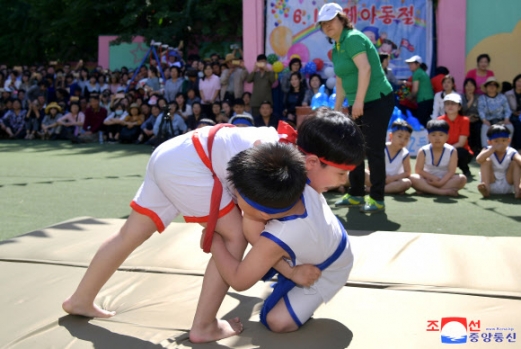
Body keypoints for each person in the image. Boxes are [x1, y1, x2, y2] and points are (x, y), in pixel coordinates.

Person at [62, 114, 324, 343]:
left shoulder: (283, 146)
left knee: (129, 234)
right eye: (339, 175)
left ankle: (80, 299)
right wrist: (290, 271)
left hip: (173, 153)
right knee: (234, 236)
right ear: (313, 162)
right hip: (190, 164)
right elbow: (253, 229)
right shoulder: (277, 159)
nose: (340, 183)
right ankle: (204, 326)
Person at [208, 110, 365, 333]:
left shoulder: (280, 233)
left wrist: (213, 240)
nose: (344, 181)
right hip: (319, 238)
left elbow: (239, 280)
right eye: (341, 174)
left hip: (328, 268)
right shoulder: (291, 166)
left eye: (236, 195)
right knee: (265, 243)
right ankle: (290, 266)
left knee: (277, 322)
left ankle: (292, 271)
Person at [318, 2, 394, 213]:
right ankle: (356, 194)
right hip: (357, 102)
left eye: (331, 21)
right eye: (323, 24)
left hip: (377, 99)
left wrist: (358, 101)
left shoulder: (353, 38)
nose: (327, 26)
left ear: (341, 19)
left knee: (374, 149)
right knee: (355, 149)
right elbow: (341, 80)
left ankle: (377, 198)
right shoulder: (337, 47)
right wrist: (336, 108)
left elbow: (365, 68)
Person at [410, 119, 467, 196]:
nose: (437, 138)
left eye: (441, 135)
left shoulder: (452, 151)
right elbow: (419, 170)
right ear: (428, 137)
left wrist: (441, 182)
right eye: (433, 135)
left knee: (462, 179)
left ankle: (427, 189)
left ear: (447, 137)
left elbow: (451, 171)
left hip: (445, 179)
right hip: (428, 179)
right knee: (413, 178)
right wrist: (432, 177)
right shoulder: (423, 150)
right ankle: (442, 192)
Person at [476, 125, 521, 199]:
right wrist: (492, 149)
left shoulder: (511, 151)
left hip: (508, 183)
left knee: (515, 163)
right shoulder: (487, 150)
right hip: (491, 182)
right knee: (486, 161)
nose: (500, 143)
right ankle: (486, 190)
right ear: (490, 142)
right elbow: (479, 159)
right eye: (496, 141)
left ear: (508, 140)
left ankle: (517, 191)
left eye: (504, 140)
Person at [437, 93, 473, 177]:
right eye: (447, 103)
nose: (450, 106)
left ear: (459, 107)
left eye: (453, 103)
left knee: (460, 151)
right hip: (442, 149)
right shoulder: (439, 120)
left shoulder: (465, 120)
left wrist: (446, 151)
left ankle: (465, 169)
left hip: (459, 151)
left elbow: (461, 143)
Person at [478, 77, 513, 148]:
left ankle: (506, 148)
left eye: (494, 85)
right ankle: (485, 149)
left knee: (510, 126)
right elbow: (480, 110)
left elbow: (507, 109)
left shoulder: (502, 97)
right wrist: (484, 120)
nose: (492, 87)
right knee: (484, 127)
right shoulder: (481, 98)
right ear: (486, 87)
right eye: (490, 85)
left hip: (501, 120)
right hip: (488, 121)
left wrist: (506, 119)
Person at [405, 55, 434, 127]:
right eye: (409, 64)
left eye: (412, 64)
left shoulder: (417, 73)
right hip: (428, 100)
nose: (410, 66)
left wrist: (409, 97)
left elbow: (415, 90)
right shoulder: (421, 72)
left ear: (418, 64)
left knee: (422, 123)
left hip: (424, 101)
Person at [461, 78, 482, 155]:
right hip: (464, 119)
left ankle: (477, 149)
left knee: (478, 127)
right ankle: (467, 148)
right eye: (467, 85)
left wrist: (476, 116)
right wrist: (470, 100)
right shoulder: (461, 97)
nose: (469, 87)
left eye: (471, 85)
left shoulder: (479, 97)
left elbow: (481, 110)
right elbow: (462, 110)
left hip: (476, 118)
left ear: (475, 87)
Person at [505, 74, 521, 150]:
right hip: (510, 115)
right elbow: (505, 107)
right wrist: (513, 112)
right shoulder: (508, 94)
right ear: (515, 82)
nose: (519, 83)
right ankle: (517, 148)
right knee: (517, 124)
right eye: (518, 81)